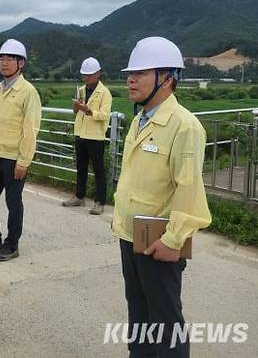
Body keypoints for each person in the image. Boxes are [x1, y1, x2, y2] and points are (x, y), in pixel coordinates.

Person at [112, 36, 211, 357]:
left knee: (166, 322)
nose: (131, 79)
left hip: (160, 241)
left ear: (167, 78)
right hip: (131, 234)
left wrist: (174, 239)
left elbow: (189, 188)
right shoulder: (142, 119)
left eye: (141, 73)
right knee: (138, 314)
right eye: (131, 73)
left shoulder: (185, 126)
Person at [0, 39, 42, 262]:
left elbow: (31, 128)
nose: (4, 63)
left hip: (14, 158)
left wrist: (24, 160)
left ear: (21, 63)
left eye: (10, 59)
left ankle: (12, 244)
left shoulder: (28, 92)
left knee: (13, 201)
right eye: (2, 58)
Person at [62, 57, 113, 215]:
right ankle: (79, 196)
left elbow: (105, 115)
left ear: (98, 74)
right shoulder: (82, 90)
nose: (86, 78)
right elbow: (75, 112)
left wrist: (88, 110)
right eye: (84, 75)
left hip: (95, 137)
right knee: (81, 168)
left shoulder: (105, 93)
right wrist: (76, 107)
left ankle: (100, 202)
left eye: (89, 74)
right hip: (80, 133)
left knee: (98, 170)